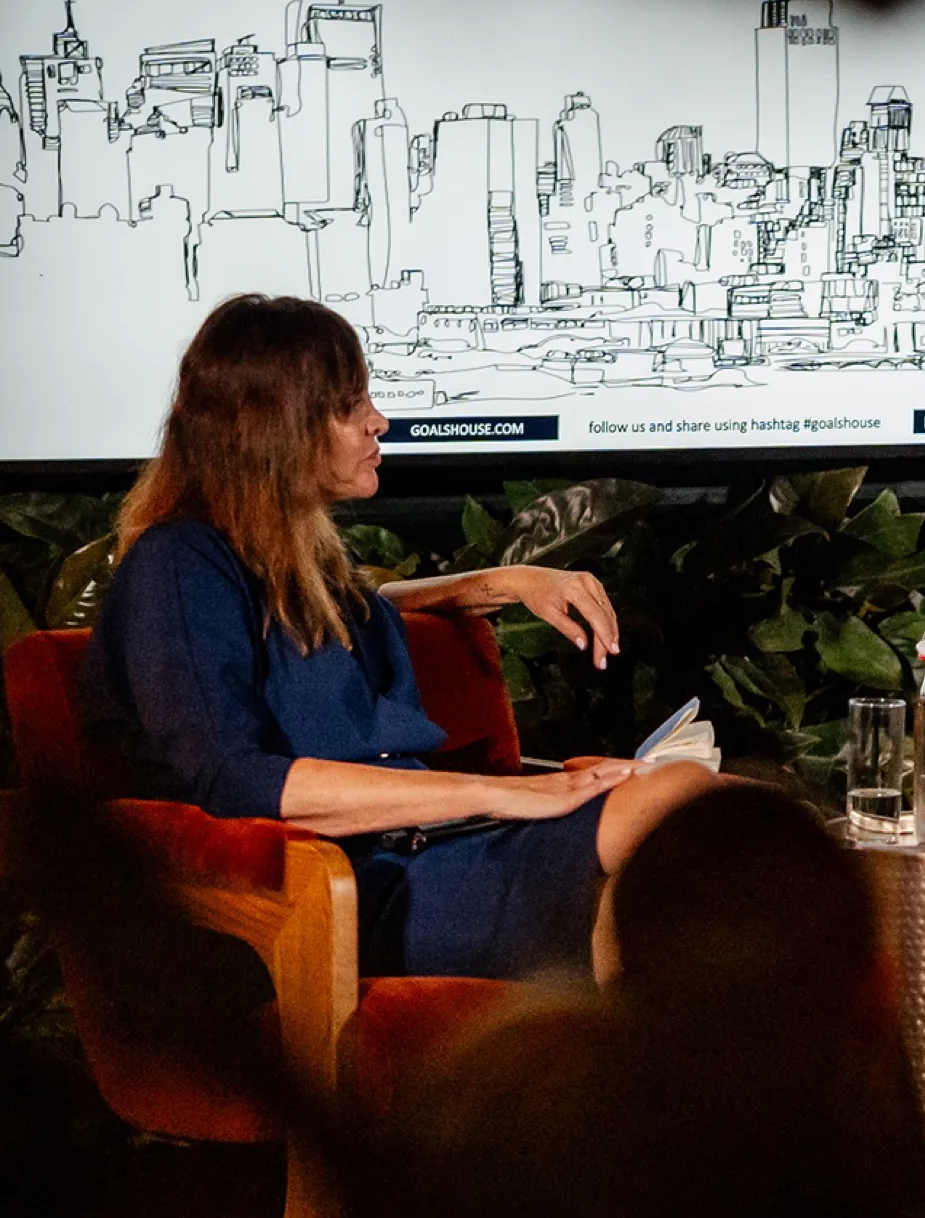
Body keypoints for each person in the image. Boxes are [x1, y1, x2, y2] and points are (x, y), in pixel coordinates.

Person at [79, 294, 716, 982]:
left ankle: (659, 1072)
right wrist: (502, 793)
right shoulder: (180, 564)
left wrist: (503, 581)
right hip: (355, 886)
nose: (378, 421)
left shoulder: (295, 564)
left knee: (705, 809)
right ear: (272, 428)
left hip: (434, 849)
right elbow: (232, 777)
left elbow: (360, 609)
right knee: (671, 816)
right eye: (349, 406)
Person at [358, 783, 925, 1218]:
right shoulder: (863, 1118)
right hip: (421, 857)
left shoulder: (508, 1105)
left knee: (684, 787)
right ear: (879, 986)